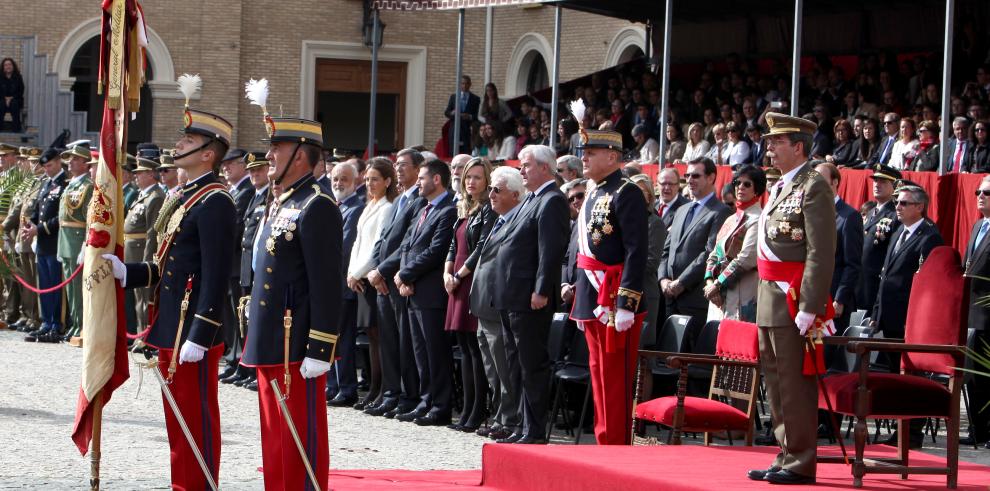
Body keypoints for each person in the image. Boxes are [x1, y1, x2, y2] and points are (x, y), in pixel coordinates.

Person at [103, 105, 237, 489]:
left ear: (208, 154)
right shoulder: (187, 196)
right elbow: (169, 265)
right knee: (178, 419)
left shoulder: (215, 201)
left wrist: (201, 331)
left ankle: (199, 484)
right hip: (172, 323)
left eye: (189, 140)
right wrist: (130, 272)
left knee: (195, 418)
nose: (179, 144)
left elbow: (215, 273)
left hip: (192, 329)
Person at [238, 115, 341, 490]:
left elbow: (327, 282)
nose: (269, 155)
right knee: (275, 440)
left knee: (299, 439)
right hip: (271, 340)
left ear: (300, 155)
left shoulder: (317, 205)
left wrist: (320, 347)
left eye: (276, 149)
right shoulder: (281, 202)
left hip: (296, 345)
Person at [748, 112, 836, 485]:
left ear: (798, 147)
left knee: (794, 386)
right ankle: (785, 454)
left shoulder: (813, 185)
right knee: (775, 382)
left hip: (794, 300)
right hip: (770, 299)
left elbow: (820, 251)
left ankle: (801, 460)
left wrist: (810, 306)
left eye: (776, 142)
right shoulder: (783, 185)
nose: (769, 148)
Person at [571, 129, 648, 445]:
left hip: (615, 297)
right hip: (593, 295)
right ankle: (604, 440)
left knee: (615, 380)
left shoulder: (625, 192)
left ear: (613, 157)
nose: (584, 158)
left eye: (591, 153)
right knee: (599, 376)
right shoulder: (592, 191)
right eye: (584, 152)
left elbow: (636, 249)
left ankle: (615, 446)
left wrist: (627, 302)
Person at [493, 144, 569, 444]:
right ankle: (521, 425)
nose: (521, 170)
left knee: (532, 365)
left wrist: (540, 289)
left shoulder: (552, 201)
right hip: (512, 295)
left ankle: (534, 429)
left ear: (544, 168)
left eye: (526, 165)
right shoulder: (531, 199)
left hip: (530, 298)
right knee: (517, 365)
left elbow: (549, 251)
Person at [870, 184, 942, 449]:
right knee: (896, 375)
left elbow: (927, 285)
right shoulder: (899, 231)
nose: (897, 207)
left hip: (910, 320)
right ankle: (901, 429)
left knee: (913, 378)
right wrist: (877, 313)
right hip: (889, 318)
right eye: (897, 202)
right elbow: (886, 275)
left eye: (903, 203)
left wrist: (917, 320)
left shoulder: (929, 237)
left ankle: (912, 432)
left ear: (919, 207)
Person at [393, 159, 458, 426]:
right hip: (413, 290)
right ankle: (426, 400)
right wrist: (402, 277)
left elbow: (436, 251)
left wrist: (406, 274)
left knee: (435, 353)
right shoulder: (423, 208)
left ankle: (441, 405)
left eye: (421, 178)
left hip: (431, 293)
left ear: (436, 180)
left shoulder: (448, 210)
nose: (417, 183)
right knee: (420, 352)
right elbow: (407, 245)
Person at [366, 149, 426, 418]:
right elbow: (383, 240)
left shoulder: (420, 201)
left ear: (418, 169)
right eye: (397, 165)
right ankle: (390, 393)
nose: (399, 169)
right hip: (383, 281)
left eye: (404, 165)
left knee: (404, 344)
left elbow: (405, 243)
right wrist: (376, 269)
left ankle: (406, 394)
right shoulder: (400, 199)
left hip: (399, 279)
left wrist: (383, 270)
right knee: (388, 341)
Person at [471, 166, 526, 441]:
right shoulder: (498, 219)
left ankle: (509, 418)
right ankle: (499, 416)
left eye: (497, 190)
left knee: (503, 368)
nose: (490, 194)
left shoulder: (516, 220)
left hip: (498, 305)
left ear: (515, 195)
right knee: (492, 368)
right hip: (483, 305)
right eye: (491, 188)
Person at [443, 157, 496, 432]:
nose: (471, 182)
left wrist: (459, 274)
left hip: (472, 280)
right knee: (463, 349)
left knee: (475, 351)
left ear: (487, 179)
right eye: (468, 177)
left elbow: (482, 246)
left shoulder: (489, 209)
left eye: (477, 177)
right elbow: (454, 244)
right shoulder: (465, 208)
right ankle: (465, 410)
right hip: (456, 280)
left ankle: (477, 410)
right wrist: (446, 272)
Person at [345, 157, 397, 410]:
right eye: (366, 179)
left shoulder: (387, 207)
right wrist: (351, 272)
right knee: (371, 337)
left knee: (379, 336)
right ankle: (375, 388)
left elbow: (378, 246)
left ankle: (381, 388)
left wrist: (359, 272)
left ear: (387, 181)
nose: (370, 184)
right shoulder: (369, 205)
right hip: (359, 277)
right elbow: (357, 243)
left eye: (375, 179)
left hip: (371, 277)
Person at [659, 158, 732, 321]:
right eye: (687, 175)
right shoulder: (681, 210)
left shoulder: (721, 212)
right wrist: (663, 279)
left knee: (693, 346)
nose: (690, 180)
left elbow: (710, 253)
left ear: (711, 178)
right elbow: (667, 250)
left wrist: (682, 282)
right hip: (670, 297)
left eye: (696, 176)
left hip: (695, 299)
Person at [222, 152, 269, 387]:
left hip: (251, 265)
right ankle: (241, 363)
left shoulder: (265, 196)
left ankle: (248, 365)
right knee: (241, 317)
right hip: (243, 265)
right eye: (252, 170)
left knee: (250, 318)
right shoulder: (255, 196)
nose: (254, 174)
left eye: (259, 170)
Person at [327, 161, 367, 407]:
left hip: (341, 284)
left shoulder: (355, 208)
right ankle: (332, 384)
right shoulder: (334, 206)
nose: (339, 184)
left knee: (343, 339)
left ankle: (346, 387)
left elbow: (342, 248)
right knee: (330, 337)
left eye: (344, 179)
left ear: (355, 182)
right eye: (335, 180)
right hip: (329, 285)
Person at [703, 164, 765, 322]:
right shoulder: (731, 218)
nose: (740, 187)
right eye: (737, 183)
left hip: (743, 295)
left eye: (747, 184)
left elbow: (746, 258)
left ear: (757, 189)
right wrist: (710, 282)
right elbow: (714, 253)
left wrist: (717, 284)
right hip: (718, 297)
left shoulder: (758, 219)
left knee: (738, 343)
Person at [23, 149, 66, 342]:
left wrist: (39, 229)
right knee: (44, 285)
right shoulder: (46, 183)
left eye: (50, 166)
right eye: (45, 166)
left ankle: (56, 324)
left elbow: (63, 217)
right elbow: (38, 210)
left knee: (55, 286)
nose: (47, 170)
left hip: (55, 241)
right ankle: (46, 322)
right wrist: (30, 225)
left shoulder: (65, 183)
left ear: (58, 163)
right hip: (41, 243)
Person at [815, 162, 863, 333]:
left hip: (834, 299)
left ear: (834, 182)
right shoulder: (812, 213)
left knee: (831, 354)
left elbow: (853, 263)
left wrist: (840, 299)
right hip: (812, 297)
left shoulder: (849, 216)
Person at [218, 148, 253, 379]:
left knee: (239, 314)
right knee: (232, 313)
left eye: (231, 163)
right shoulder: (234, 190)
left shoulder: (246, 191)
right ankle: (233, 357)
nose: (226, 167)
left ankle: (239, 359)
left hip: (239, 261)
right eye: (225, 164)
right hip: (231, 262)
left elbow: (235, 226)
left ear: (243, 165)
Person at [123, 157, 165, 336]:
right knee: (136, 297)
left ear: (150, 174)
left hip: (142, 252)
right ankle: (139, 332)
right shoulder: (144, 195)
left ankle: (144, 335)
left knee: (143, 297)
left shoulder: (155, 197)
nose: (136, 176)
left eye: (140, 173)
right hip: (132, 250)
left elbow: (152, 232)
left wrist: (148, 260)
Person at [963, 175, 990, 448]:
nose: (980, 196)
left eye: (986, 193)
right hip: (970, 313)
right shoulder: (978, 226)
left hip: (988, 314)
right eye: (978, 192)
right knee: (972, 376)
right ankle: (978, 430)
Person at [56, 144, 93, 342]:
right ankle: (74, 323)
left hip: (77, 239)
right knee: (70, 289)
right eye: (70, 158)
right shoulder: (71, 184)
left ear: (86, 164)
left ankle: (81, 326)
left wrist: (85, 245)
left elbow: (89, 218)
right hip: (66, 240)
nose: (70, 162)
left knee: (78, 287)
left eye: (76, 159)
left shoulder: (87, 186)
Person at [857, 164, 901, 316]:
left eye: (883, 181)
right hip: (860, 282)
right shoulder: (870, 212)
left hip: (876, 283)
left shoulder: (896, 215)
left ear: (894, 187)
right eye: (875, 180)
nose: (877, 184)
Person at [629, 174, 664, 338]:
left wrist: (620, 266)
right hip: (625, 293)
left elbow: (650, 263)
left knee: (642, 350)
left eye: (640, 191)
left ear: (649, 196)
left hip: (644, 293)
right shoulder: (624, 220)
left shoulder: (654, 222)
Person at [445, 75, 481, 155]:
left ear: (470, 84)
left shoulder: (475, 99)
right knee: (453, 153)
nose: (464, 86)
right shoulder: (454, 97)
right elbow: (447, 112)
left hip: (467, 130)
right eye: (462, 83)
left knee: (466, 152)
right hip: (455, 129)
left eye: (466, 83)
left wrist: (469, 116)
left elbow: (478, 116)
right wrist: (452, 113)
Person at [0, 58, 25, 133]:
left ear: (13, 66)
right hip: (1, 99)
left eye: (10, 64)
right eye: (6, 65)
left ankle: (16, 128)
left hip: (15, 99)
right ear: (3, 67)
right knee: (1, 104)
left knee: (14, 104)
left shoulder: (18, 77)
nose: (8, 66)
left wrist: (11, 98)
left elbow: (21, 90)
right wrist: (5, 98)